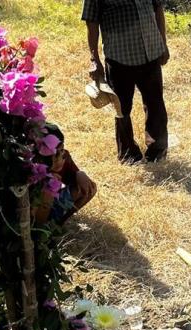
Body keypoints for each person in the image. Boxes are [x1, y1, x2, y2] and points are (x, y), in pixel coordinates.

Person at [82, 0, 170, 164]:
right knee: (121, 109)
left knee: (155, 105)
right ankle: (129, 154)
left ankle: (157, 152)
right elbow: (91, 20)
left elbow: (157, 8)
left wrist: (163, 43)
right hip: (119, 57)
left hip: (151, 52)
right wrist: (94, 59)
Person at [34, 124, 98, 224]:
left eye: (62, 150)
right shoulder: (35, 167)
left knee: (89, 187)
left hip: (55, 202)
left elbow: (78, 179)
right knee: (47, 193)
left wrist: (79, 173)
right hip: (37, 207)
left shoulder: (64, 156)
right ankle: (40, 231)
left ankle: (59, 224)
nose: (61, 155)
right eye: (56, 152)